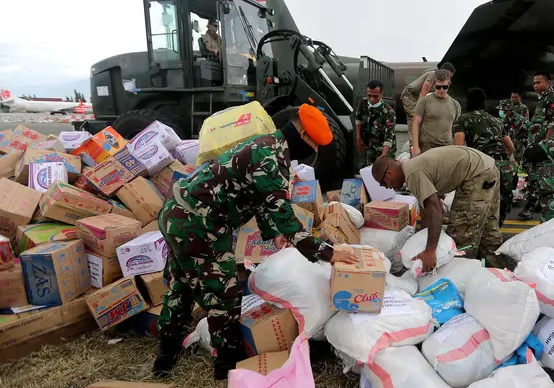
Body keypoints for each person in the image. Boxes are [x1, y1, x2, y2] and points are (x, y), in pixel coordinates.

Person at [153, 105, 359, 380]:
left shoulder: (267, 144)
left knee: (182, 287)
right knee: (222, 294)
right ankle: (226, 366)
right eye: (312, 144)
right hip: (198, 224)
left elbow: (259, 199)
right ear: (302, 134)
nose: (313, 152)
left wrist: (272, 232)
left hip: (178, 214)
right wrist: (330, 254)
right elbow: (289, 222)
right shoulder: (271, 161)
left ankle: (165, 359)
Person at [372, 146, 509, 270]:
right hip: (487, 167)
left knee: (461, 235)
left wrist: (430, 251)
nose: (387, 187)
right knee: (488, 230)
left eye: (383, 183)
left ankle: (461, 278)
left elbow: (435, 209)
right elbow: (430, 209)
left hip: (476, 174)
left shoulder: (412, 174)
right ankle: (498, 274)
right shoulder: (412, 166)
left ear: (389, 173)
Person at [454, 88, 517, 227]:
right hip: (505, 165)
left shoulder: (463, 119)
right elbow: (511, 147)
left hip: (484, 165)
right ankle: (496, 232)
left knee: (481, 203)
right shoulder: (496, 120)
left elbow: (459, 148)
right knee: (502, 202)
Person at [519, 71, 554, 220]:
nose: (535, 85)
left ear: (548, 83)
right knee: (532, 171)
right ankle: (537, 201)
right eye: (534, 83)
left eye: (539, 82)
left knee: (535, 172)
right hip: (535, 141)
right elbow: (541, 120)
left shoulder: (552, 97)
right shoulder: (542, 98)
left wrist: (545, 144)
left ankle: (531, 203)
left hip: (542, 145)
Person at [411, 69, 461, 156]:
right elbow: (415, 123)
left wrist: (458, 151)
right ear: (434, 84)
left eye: (445, 87)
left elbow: (457, 129)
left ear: (449, 84)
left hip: (446, 148)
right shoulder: (424, 101)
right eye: (438, 87)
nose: (441, 90)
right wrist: (415, 147)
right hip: (427, 147)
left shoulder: (455, 104)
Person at [401, 62, 456, 129]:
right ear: (443, 71)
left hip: (417, 96)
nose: (449, 78)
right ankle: (413, 138)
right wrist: (420, 109)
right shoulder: (433, 75)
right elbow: (423, 93)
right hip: (411, 95)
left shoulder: (441, 81)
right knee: (415, 117)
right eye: (449, 75)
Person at [355, 79, 396, 167]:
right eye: (369, 95)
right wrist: (359, 138)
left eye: (375, 96)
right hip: (370, 145)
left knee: (384, 172)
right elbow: (358, 120)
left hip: (385, 148)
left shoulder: (389, 112)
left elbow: (389, 138)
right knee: (369, 172)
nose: (372, 99)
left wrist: (383, 156)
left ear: (382, 95)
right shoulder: (363, 103)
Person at [498, 88, 530, 162]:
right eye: (512, 97)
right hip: (509, 135)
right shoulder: (508, 107)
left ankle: (520, 171)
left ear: (519, 98)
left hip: (519, 137)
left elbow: (525, 123)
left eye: (516, 97)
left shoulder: (523, 108)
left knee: (518, 157)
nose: (513, 99)